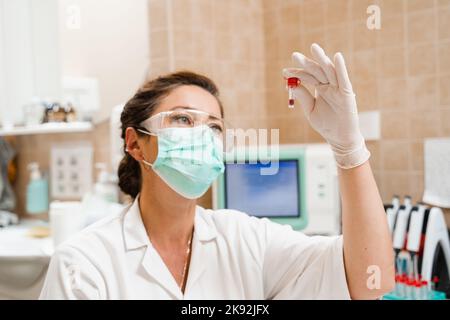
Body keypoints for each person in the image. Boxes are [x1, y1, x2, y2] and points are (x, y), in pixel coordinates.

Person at [39, 44, 395, 300]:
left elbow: (370, 280)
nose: (201, 136)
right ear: (135, 143)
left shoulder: (246, 240)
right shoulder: (84, 263)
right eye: (182, 118)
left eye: (214, 127)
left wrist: (349, 150)